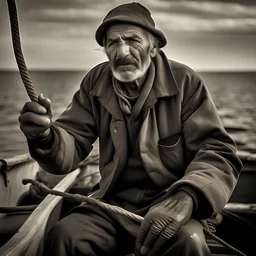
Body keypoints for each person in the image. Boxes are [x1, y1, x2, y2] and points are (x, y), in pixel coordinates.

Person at [19, 2, 242, 256]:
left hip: (171, 202)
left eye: (133, 40)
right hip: (112, 204)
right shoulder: (95, 82)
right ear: (105, 50)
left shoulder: (186, 83)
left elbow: (218, 152)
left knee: (189, 241)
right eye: (113, 43)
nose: (122, 51)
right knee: (65, 236)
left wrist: (186, 198)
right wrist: (46, 137)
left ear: (154, 46)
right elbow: (72, 143)